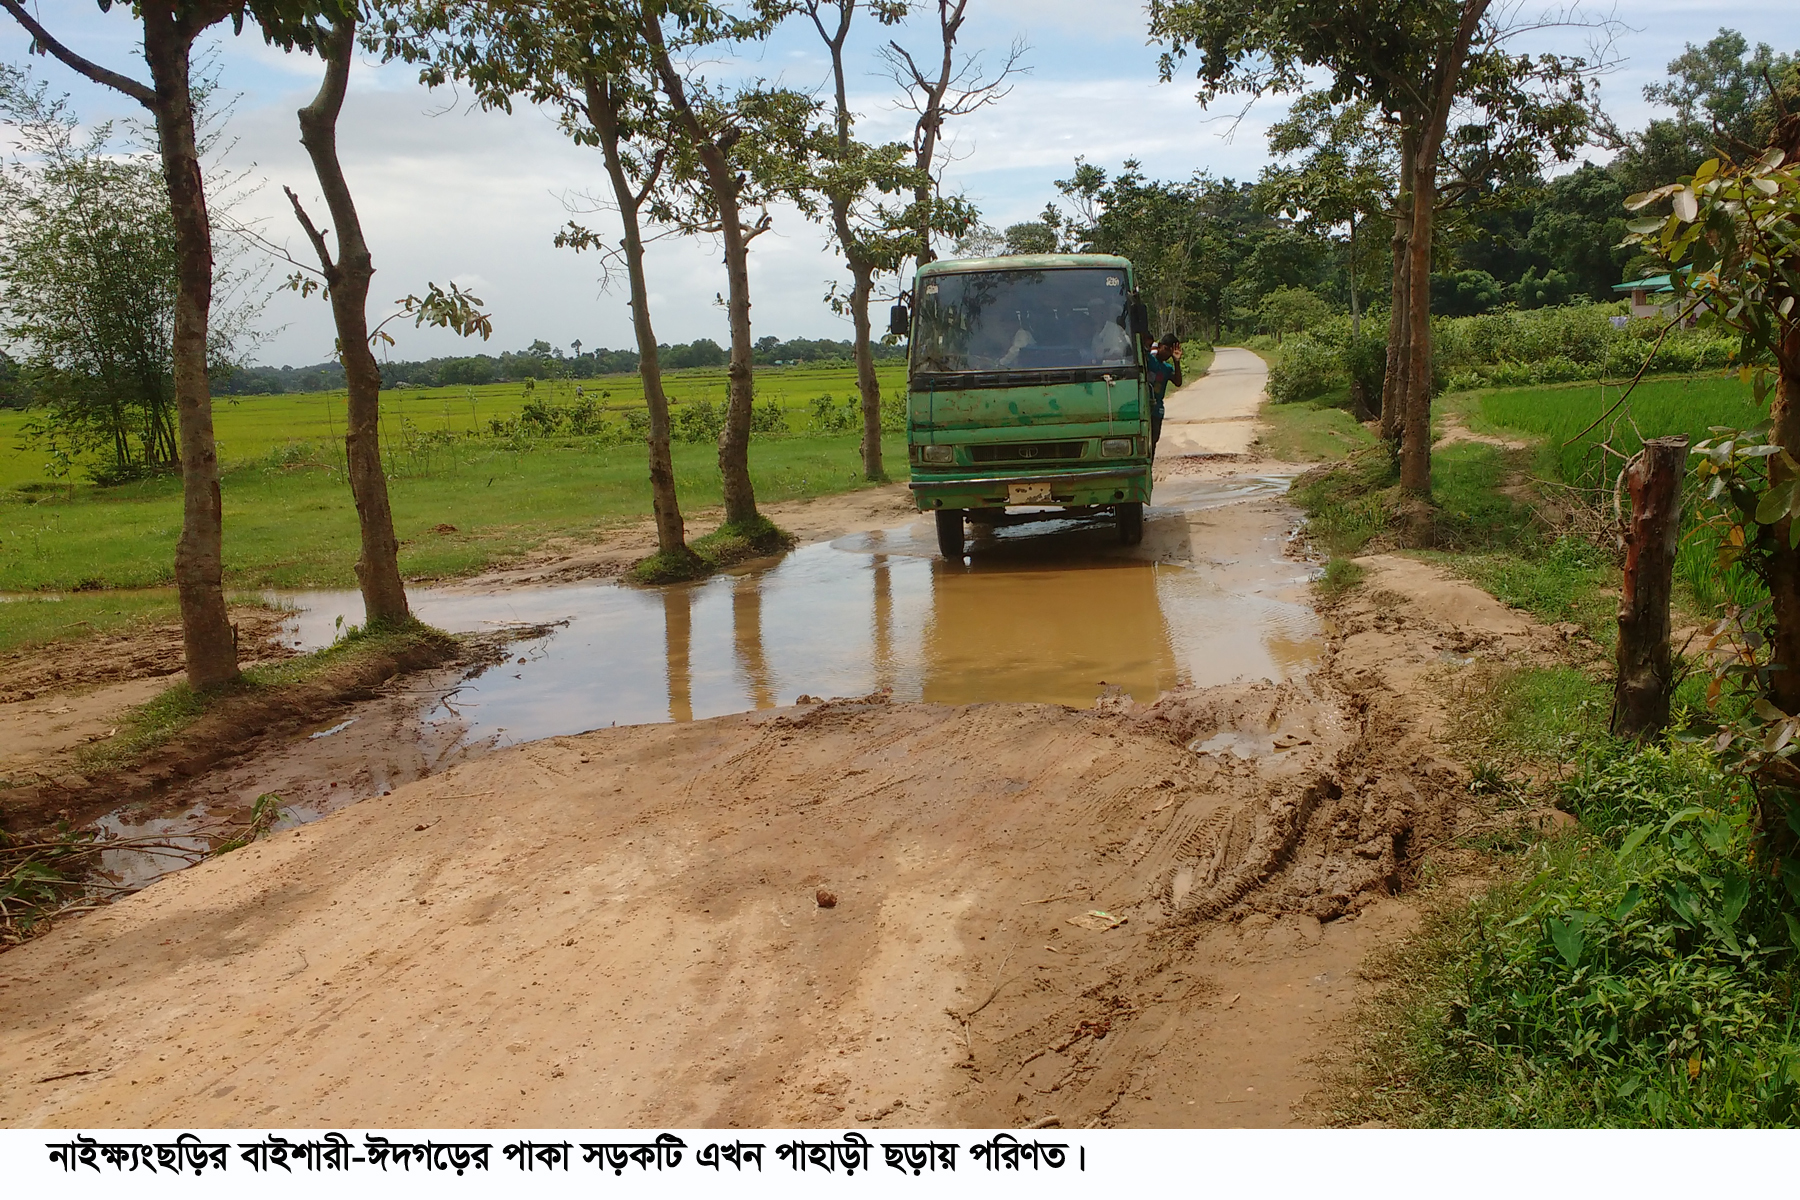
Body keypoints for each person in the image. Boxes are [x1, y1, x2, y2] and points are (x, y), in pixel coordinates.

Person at [1144, 334, 1183, 451]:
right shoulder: (1148, 360)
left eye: (1170, 352)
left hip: (1156, 410)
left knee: (1153, 442)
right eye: (1166, 349)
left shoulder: (1167, 368)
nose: (1167, 354)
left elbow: (1178, 382)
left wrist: (1177, 361)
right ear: (1159, 346)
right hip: (1143, 406)